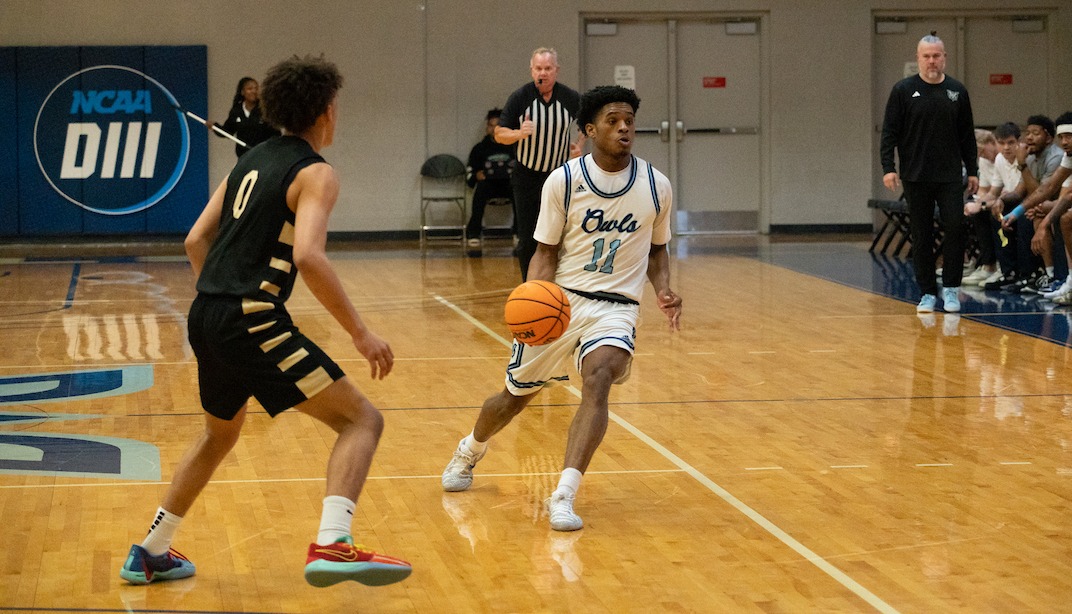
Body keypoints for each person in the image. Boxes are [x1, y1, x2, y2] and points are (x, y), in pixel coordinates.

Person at [119, 55, 411, 588]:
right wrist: (360, 334)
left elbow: (194, 240)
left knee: (217, 435)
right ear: (326, 111)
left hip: (205, 314)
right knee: (361, 421)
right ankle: (333, 544)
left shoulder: (247, 161)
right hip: (250, 318)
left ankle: (151, 550)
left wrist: (222, 296)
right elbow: (309, 257)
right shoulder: (316, 172)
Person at [441, 85, 682, 532]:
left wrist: (664, 289)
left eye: (629, 119)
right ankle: (470, 449)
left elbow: (658, 251)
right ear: (590, 130)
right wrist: (530, 298)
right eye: (613, 120)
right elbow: (544, 252)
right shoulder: (565, 180)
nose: (624, 127)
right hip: (562, 302)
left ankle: (564, 494)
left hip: (617, 308)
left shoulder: (656, 186)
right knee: (513, 399)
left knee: (599, 377)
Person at [880, 32, 978, 314]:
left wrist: (972, 170)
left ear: (944, 58)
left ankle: (951, 290)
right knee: (921, 235)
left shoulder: (957, 91)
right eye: (927, 56)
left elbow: (966, 135)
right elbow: (890, 133)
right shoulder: (902, 90)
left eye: (937, 56)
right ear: (918, 58)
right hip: (915, 175)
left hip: (949, 176)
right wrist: (889, 168)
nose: (932, 61)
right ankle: (926, 293)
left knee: (956, 229)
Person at [495, 47, 584, 280]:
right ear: (531, 70)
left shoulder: (569, 97)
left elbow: (590, 121)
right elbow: (499, 133)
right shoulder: (520, 97)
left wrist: (579, 144)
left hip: (558, 177)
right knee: (528, 236)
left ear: (556, 70)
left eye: (547, 68)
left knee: (561, 234)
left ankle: (561, 283)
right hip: (526, 176)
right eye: (538, 68)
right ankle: (529, 285)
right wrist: (519, 134)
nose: (542, 73)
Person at [995, 115, 1066, 294]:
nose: (1029, 137)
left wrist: (1022, 165)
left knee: (1033, 218)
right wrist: (1002, 201)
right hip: (1048, 204)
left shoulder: (1056, 157)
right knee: (1005, 215)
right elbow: (1022, 191)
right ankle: (1016, 272)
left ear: (1049, 138)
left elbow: (1043, 192)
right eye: (1027, 133)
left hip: (1053, 204)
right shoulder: (1032, 157)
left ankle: (1047, 275)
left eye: (1035, 133)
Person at [465, 108, 516, 254]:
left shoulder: (513, 146)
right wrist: (476, 175)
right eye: (491, 125)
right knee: (480, 191)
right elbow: (470, 171)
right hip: (488, 185)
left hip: (508, 184)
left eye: (497, 125)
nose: (494, 129)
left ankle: (519, 232)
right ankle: (474, 232)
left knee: (519, 192)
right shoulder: (479, 149)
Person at [207, 76, 280, 157]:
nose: (254, 91)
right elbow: (227, 132)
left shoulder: (265, 110)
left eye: (256, 88)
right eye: (250, 89)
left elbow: (275, 134)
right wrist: (215, 127)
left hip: (263, 156)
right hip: (243, 157)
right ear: (242, 92)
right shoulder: (236, 111)